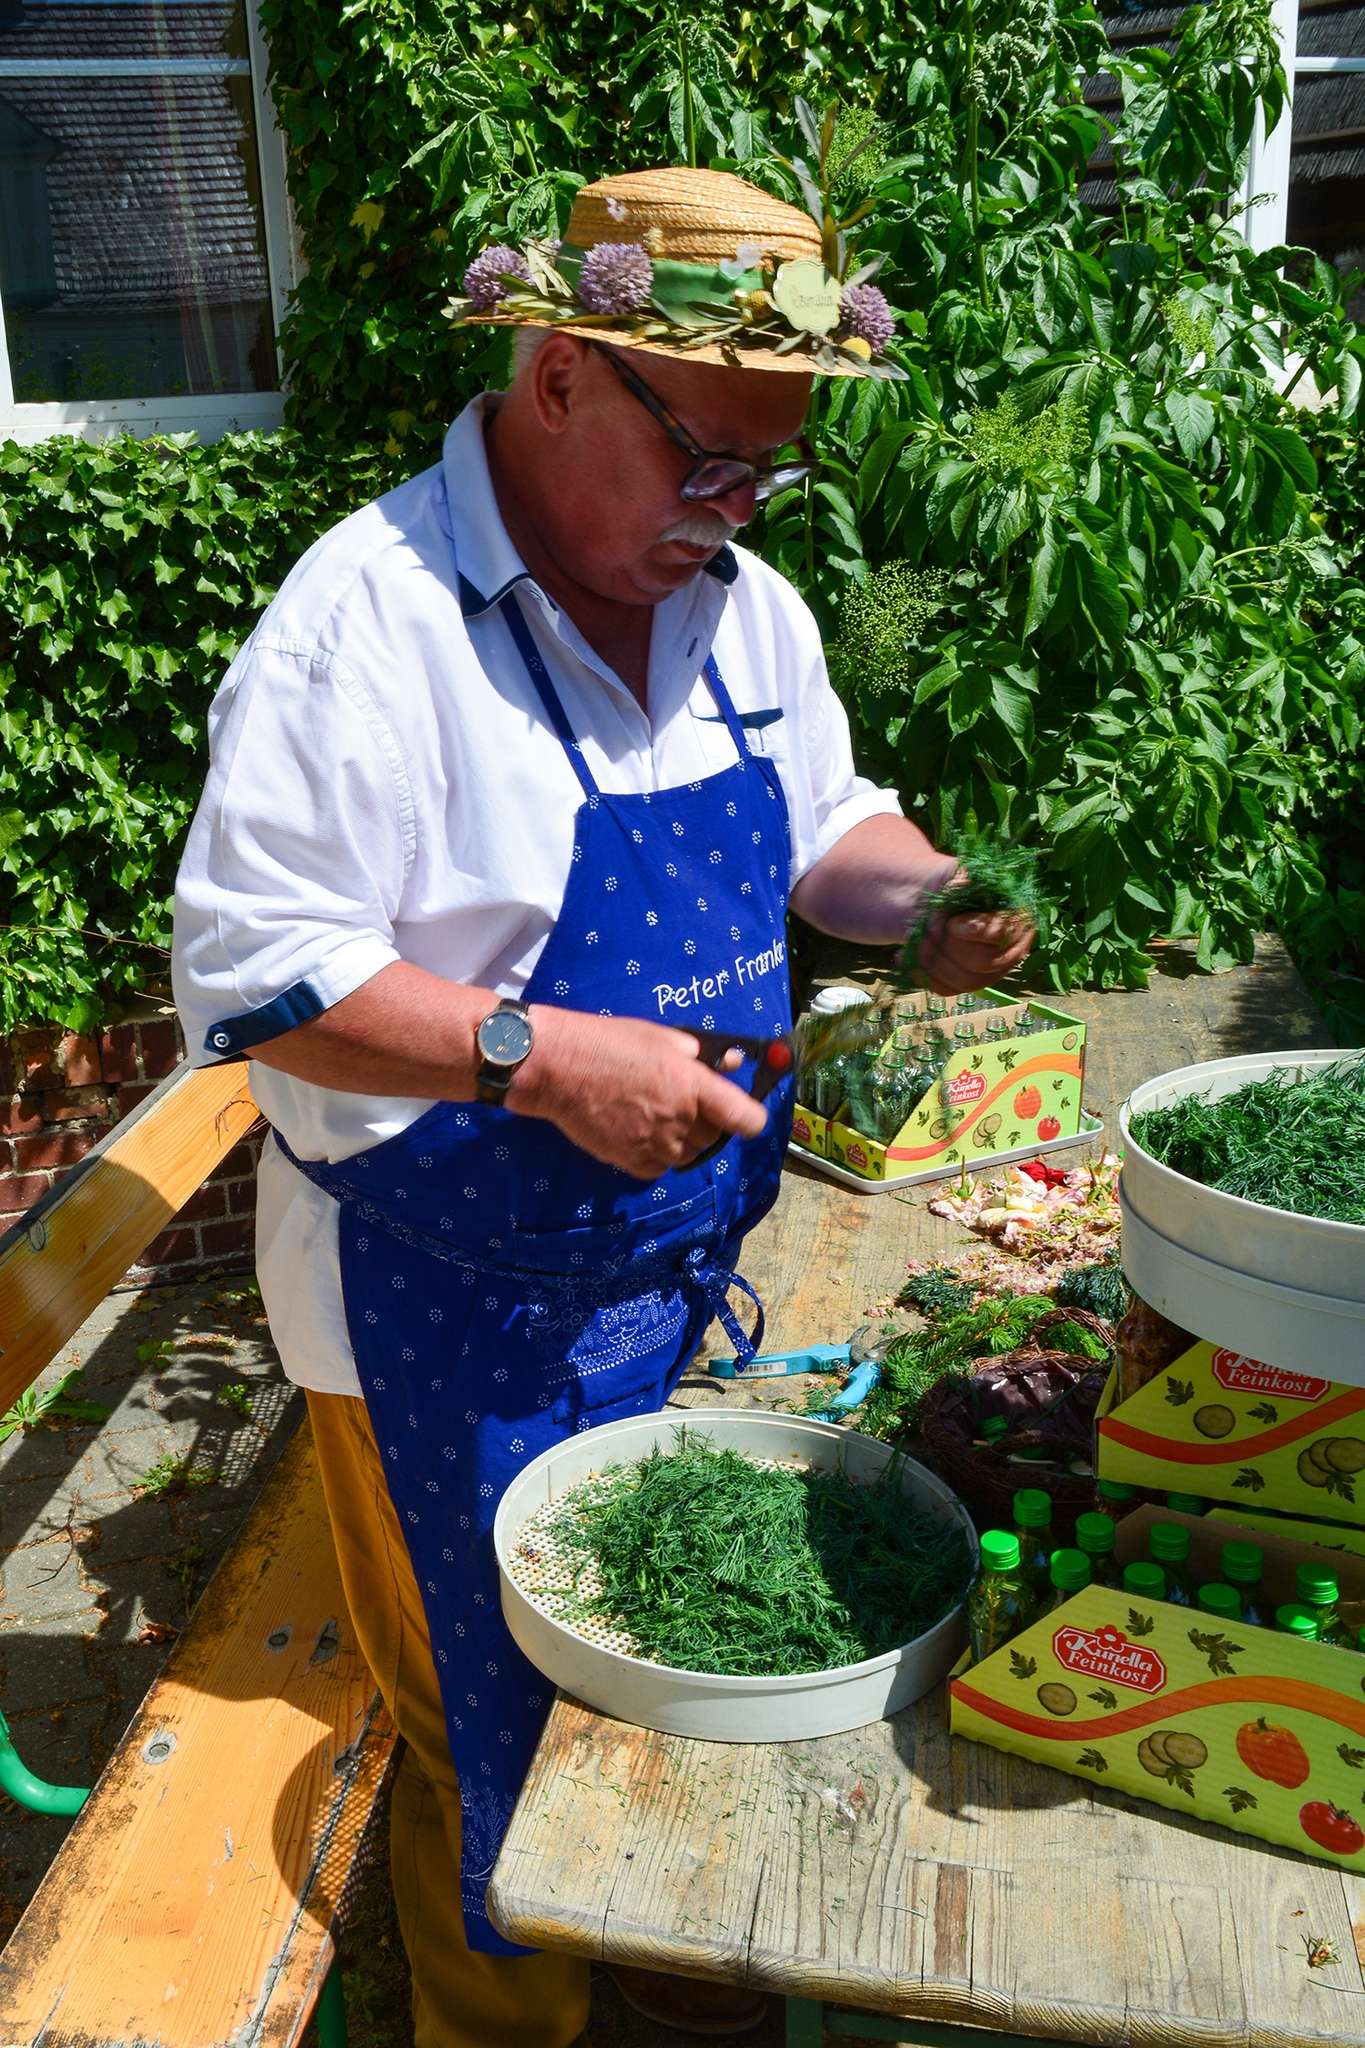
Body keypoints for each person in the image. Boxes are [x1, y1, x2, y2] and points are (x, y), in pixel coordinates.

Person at [171, 166, 1034, 2048]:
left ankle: (665, 1993)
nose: (733, 518)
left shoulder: (747, 609)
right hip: (432, 1319)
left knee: (657, 1703)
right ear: (564, 372)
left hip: (667, 1276)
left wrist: (927, 896)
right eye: (707, 463)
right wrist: (541, 1056)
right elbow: (256, 983)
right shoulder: (366, 628)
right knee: (489, 1749)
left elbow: (828, 826)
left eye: (769, 477)